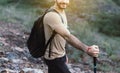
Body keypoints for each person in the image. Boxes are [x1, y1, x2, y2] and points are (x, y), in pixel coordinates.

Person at [43, 0, 100, 73]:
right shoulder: (52, 15)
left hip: (59, 55)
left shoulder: (61, 11)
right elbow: (67, 36)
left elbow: (60, 36)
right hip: (54, 58)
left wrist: (63, 53)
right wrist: (87, 49)